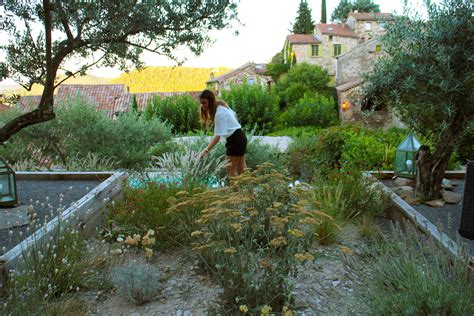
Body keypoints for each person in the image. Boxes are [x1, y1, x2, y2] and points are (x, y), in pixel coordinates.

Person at [198, 89, 247, 177]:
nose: (203, 105)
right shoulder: (222, 105)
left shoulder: (219, 113)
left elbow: (217, 137)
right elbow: (234, 115)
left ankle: (237, 191)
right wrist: (232, 126)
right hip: (240, 136)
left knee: (231, 170)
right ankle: (250, 191)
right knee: (242, 168)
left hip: (235, 140)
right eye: (201, 103)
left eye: (204, 103)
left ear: (211, 101)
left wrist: (206, 150)